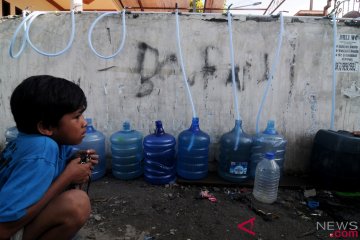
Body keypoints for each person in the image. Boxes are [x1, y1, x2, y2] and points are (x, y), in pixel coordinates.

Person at [0, 75, 98, 240]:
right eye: (76, 117)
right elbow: (3, 229)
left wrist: (81, 160)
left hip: (22, 223)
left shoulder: (42, 140)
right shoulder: (42, 149)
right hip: (6, 230)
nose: (84, 123)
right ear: (45, 127)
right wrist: (68, 177)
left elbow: (70, 158)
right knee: (77, 203)